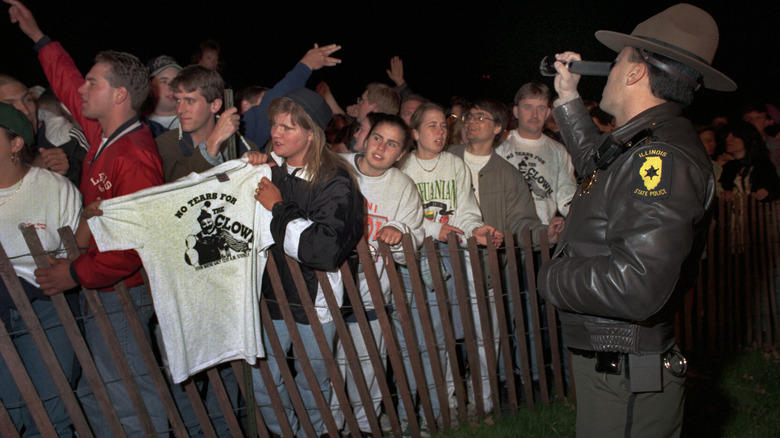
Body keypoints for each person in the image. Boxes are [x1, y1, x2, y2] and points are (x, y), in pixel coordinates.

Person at [537, 4, 735, 436]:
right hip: (618, 367)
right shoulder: (645, 143)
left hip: (625, 376)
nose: (606, 71)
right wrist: (568, 97)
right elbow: (597, 162)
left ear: (634, 74)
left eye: (617, 60)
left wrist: (551, 277)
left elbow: (636, 285)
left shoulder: (659, 157)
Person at [6, 1, 168, 435]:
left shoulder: (134, 158)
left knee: (130, 392)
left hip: (121, 292)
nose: (81, 90)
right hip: (104, 287)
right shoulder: (106, 135)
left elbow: (132, 249)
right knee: (103, 390)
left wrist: (75, 273)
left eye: (93, 84)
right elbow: (66, 81)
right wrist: (38, 37)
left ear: (118, 95)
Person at [250, 87, 364, 437]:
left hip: (316, 301)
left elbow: (323, 250)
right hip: (270, 295)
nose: (275, 133)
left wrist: (279, 207)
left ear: (312, 134)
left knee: (313, 385)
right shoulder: (270, 170)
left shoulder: (337, 180)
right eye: (274, 125)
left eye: (287, 127)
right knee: (262, 381)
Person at [397, 102, 502, 428]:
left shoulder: (455, 165)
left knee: (468, 328)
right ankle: (444, 404)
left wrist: (475, 228)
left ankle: (472, 401)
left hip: (454, 255)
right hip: (418, 260)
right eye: (431, 125)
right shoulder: (402, 169)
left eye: (443, 125)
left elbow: (466, 209)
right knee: (433, 335)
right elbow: (400, 220)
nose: (440, 131)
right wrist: (432, 229)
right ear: (414, 133)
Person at [330, 113, 425, 435]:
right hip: (325, 291)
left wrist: (397, 231)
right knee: (329, 367)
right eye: (377, 138)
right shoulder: (335, 167)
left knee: (367, 365)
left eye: (392, 144)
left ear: (401, 154)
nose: (381, 148)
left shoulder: (402, 187)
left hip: (370, 294)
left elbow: (410, 244)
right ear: (366, 138)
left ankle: (365, 426)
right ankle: (331, 426)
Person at [0, 102, 82, 437]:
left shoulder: (55, 188)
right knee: (6, 417)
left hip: (48, 308)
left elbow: (76, 254)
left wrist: (68, 265)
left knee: (51, 416)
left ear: (15, 143)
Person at [156, 64, 259, 182]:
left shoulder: (244, 147)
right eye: (178, 100)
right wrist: (213, 143)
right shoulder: (163, 146)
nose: (180, 110)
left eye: (190, 101)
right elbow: (174, 189)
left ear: (215, 105)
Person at [496, 82, 577, 225]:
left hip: (543, 234)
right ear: (516, 111)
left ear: (548, 113)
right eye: (528, 107)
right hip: (506, 233)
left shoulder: (559, 151)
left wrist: (578, 219)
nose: (535, 114)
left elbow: (567, 196)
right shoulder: (499, 146)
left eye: (541, 108)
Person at [0, 74, 87, 185]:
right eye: (9, 105)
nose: (26, 111)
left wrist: (66, 173)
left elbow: (91, 192)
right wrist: (29, 170)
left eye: (27, 99)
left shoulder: (65, 139)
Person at [719, 120, 780, 202]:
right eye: (727, 136)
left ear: (746, 138)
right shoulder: (728, 166)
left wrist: (765, 194)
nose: (728, 140)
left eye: (735, 136)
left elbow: (774, 190)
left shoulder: (763, 165)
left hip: (755, 212)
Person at [143, 55, 182, 137]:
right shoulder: (140, 124)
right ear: (149, 88)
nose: (171, 87)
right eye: (164, 81)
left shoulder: (194, 123)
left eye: (175, 81)